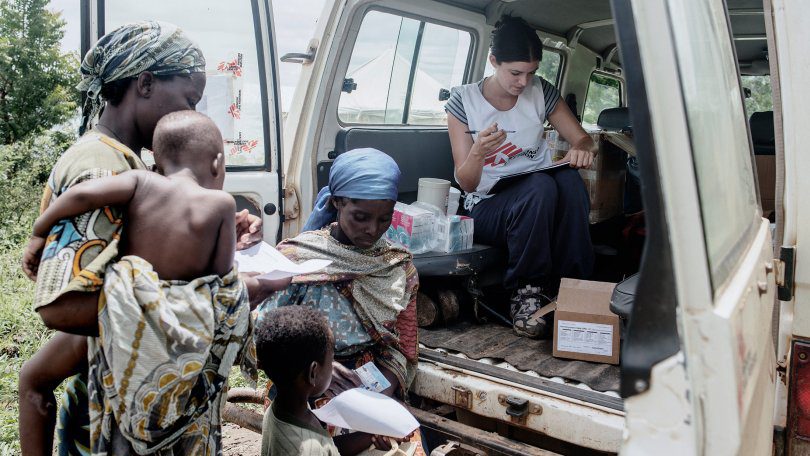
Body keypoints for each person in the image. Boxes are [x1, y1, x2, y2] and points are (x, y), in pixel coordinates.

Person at [15, 21, 265, 455]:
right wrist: (208, 304)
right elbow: (63, 306)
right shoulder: (101, 166)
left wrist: (207, 237)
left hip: (128, 392)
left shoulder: (127, 161)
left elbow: (149, 253)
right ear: (145, 83)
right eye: (189, 98)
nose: (193, 112)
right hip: (117, 418)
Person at [257, 148, 422, 453]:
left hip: (372, 385)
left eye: (384, 219)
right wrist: (316, 370)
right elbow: (266, 335)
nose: (372, 230)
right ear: (336, 202)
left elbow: (403, 346)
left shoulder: (399, 267)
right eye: (360, 217)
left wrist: (382, 391)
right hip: (304, 384)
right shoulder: (297, 260)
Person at [445, 15, 595, 338]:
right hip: (487, 207)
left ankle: (575, 288)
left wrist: (582, 149)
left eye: (531, 73)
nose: (523, 83)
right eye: (515, 73)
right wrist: (479, 151)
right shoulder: (463, 101)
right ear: (493, 62)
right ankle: (526, 294)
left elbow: (583, 139)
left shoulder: (541, 92)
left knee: (567, 182)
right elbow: (467, 182)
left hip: (539, 198)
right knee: (539, 188)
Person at [256, 305, 340, 455]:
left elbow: (328, 446)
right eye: (331, 360)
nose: (333, 366)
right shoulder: (307, 450)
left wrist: (369, 437)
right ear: (313, 373)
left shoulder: (286, 407)